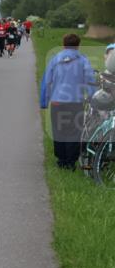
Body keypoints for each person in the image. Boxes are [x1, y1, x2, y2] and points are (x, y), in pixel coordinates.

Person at [39, 33, 97, 170]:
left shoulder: (55, 59)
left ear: (64, 44)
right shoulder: (83, 60)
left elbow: (46, 82)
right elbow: (90, 81)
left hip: (57, 102)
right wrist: (93, 98)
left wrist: (44, 101)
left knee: (58, 130)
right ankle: (70, 162)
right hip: (75, 102)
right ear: (78, 45)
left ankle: (61, 160)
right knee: (74, 132)